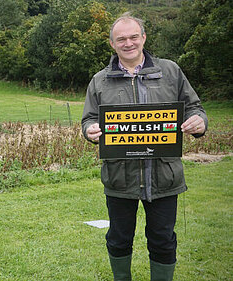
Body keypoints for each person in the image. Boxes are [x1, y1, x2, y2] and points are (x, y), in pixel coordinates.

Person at [81, 13, 207, 281]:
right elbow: (89, 119)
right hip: (119, 177)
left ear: (143, 38)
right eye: (121, 39)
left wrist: (199, 122)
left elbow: (195, 108)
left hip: (164, 176)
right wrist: (89, 131)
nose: (128, 43)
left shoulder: (170, 71)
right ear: (112, 44)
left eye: (133, 37)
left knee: (162, 239)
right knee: (118, 239)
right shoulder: (99, 81)